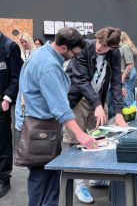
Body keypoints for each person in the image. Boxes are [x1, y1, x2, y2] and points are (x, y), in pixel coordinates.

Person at [15, 27, 97, 206]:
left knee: (47, 177)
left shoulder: (42, 53)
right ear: (64, 47)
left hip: (36, 126)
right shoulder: (49, 66)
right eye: (75, 53)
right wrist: (80, 135)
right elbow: (61, 108)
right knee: (43, 180)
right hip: (41, 130)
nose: (75, 56)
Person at [64, 27, 128, 203]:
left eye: (105, 45)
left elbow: (116, 82)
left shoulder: (114, 54)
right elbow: (81, 80)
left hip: (97, 99)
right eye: (99, 42)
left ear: (113, 47)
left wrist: (119, 113)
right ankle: (79, 185)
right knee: (75, 140)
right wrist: (98, 105)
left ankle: (96, 176)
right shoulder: (84, 48)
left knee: (99, 137)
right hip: (78, 99)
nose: (100, 47)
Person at [0, 32, 23, 198]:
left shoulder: (10, 47)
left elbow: (18, 76)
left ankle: (3, 178)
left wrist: (7, 98)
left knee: (3, 141)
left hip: (2, 102)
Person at [108, 31, 137, 117]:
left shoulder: (125, 47)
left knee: (126, 100)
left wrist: (123, 77)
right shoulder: (122, 47)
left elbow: (130, 65)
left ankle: (129, 120)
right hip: (121, 76)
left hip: (124, 77)